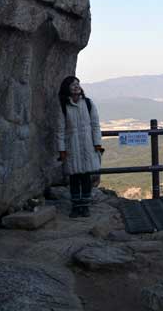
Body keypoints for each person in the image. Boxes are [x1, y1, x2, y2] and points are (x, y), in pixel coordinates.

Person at [56, 76, 104, 218]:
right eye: (73, 85)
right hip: (72, 146)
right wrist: (62, 149)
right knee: (74, 177)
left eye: (77, 84)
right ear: (67, 88)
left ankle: (85, 206)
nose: (76, 86)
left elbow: (95, 126)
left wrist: (97, 144)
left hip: (88, 145)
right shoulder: (64, 106)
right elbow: (60, 129)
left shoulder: (88, 104)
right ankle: (76, 206)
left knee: (86, 176)